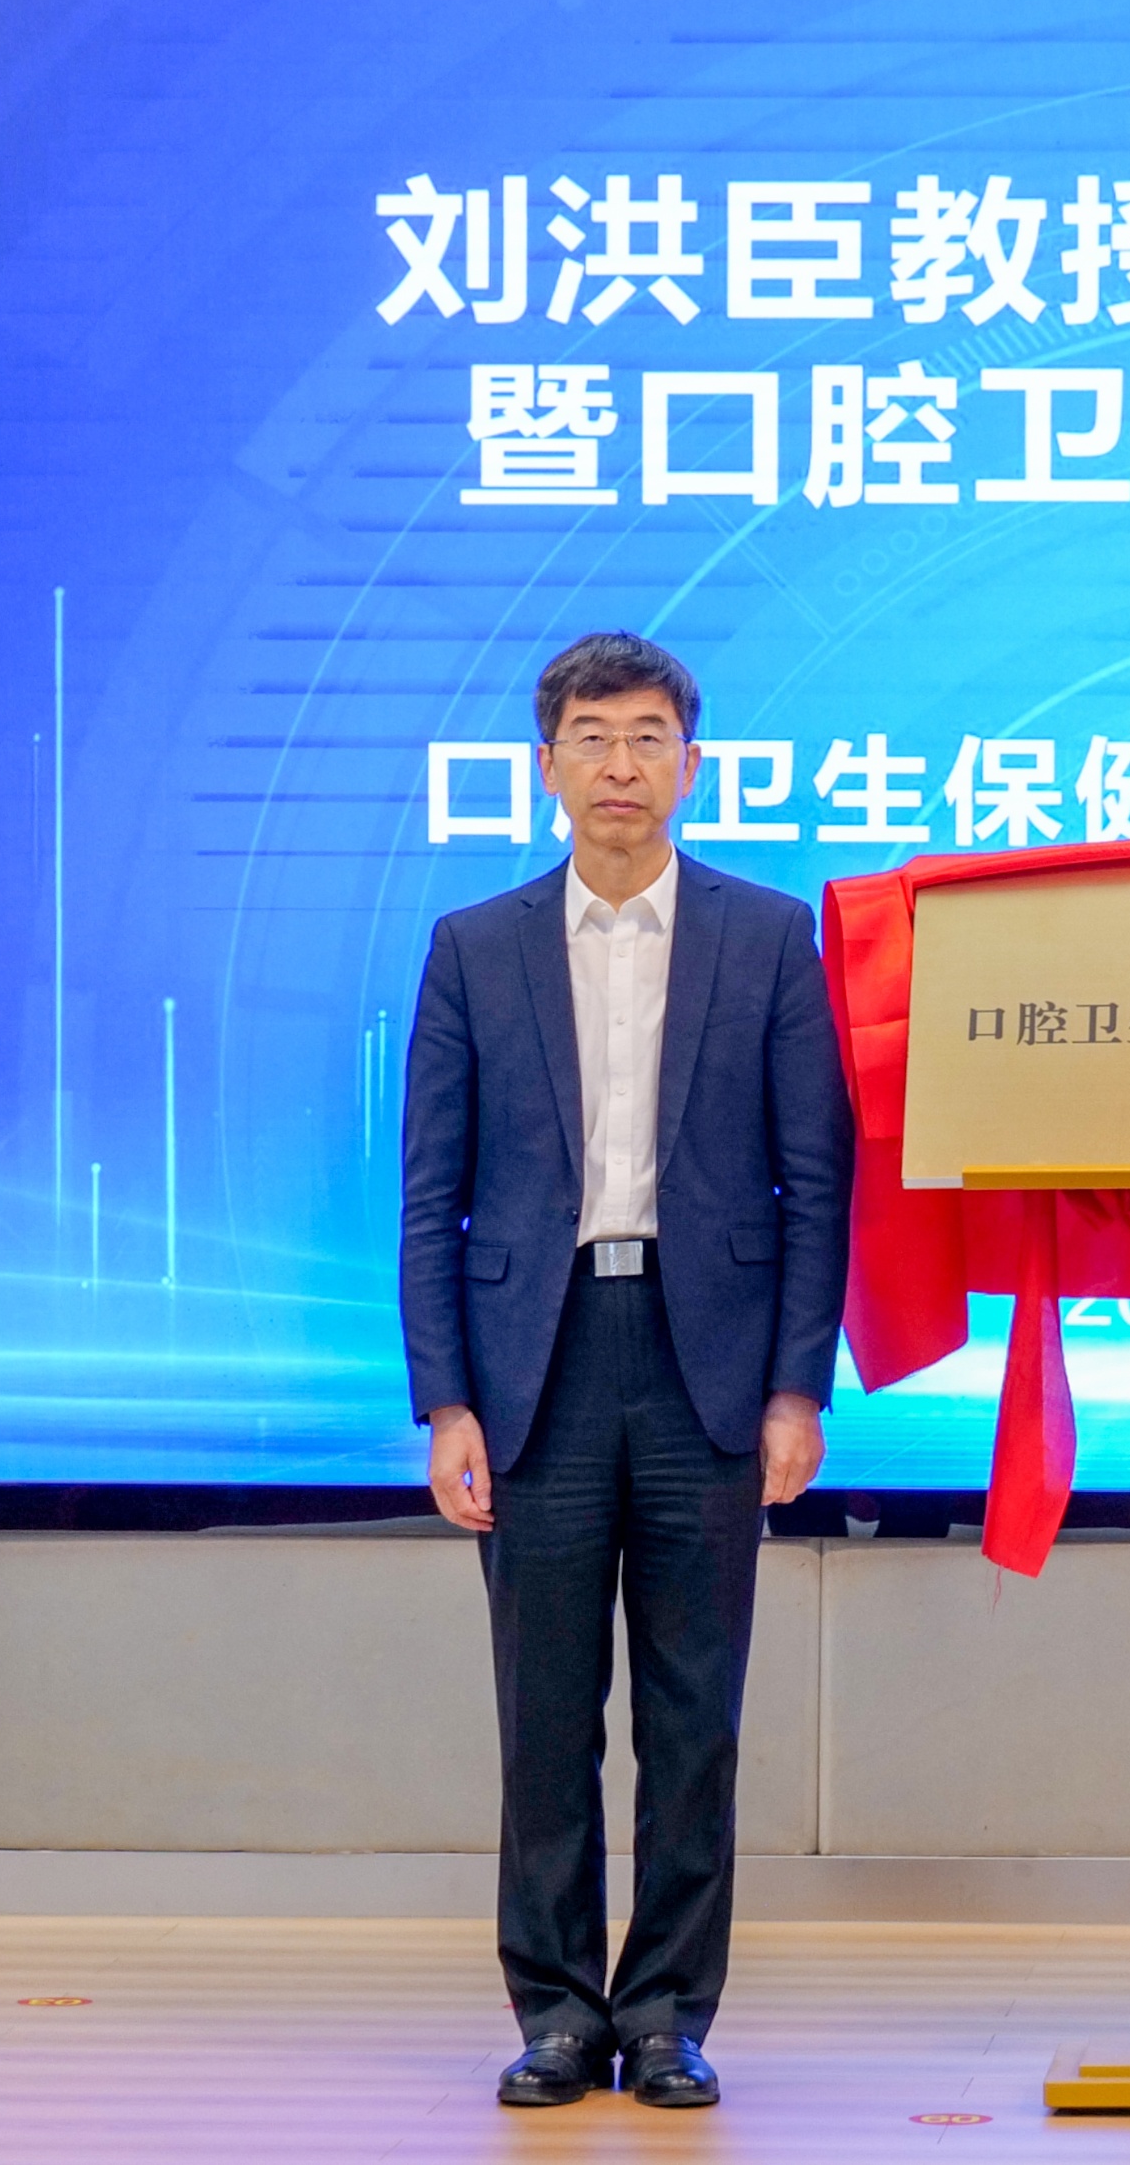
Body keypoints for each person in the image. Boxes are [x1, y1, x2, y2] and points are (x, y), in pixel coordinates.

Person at [398, 631, 851, 2110]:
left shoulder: (765, 935)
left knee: (692, 1713)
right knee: (544, 1712)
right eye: (592, 737)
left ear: (691, 765)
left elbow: (814, 1180)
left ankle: (664, 2013)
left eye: (649, 736)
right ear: (547, 765)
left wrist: (797, 1386)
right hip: (532, 1366)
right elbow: (431, 1193)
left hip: (702, 1358)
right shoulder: (476, 945)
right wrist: (446, 1400)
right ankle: (554, 2010)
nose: (620, 765)